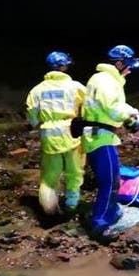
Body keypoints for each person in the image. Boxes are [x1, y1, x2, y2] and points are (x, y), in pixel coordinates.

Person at [81, 44, 139, 239]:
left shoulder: (104, 79)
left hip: (100, 134)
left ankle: (110, 212)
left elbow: (115, 104)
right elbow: (112, 108)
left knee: (112, 176)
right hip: (99, 135)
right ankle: (98, 224)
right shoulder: (106, 81)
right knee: (109, 181)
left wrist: (133, 111)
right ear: (118, 63)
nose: (130, 69)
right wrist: (131, 119)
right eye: (128, 65)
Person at [25, 51, 86, 215]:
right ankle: (71, 206)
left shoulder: (37, 90)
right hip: (72, 134)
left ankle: (49, 211)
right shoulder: (76, 87)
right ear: (64, 66)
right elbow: (87, 108)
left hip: (49, 137)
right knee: (75, 172)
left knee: (49, 177)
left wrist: (36, 123)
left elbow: (32, 116)